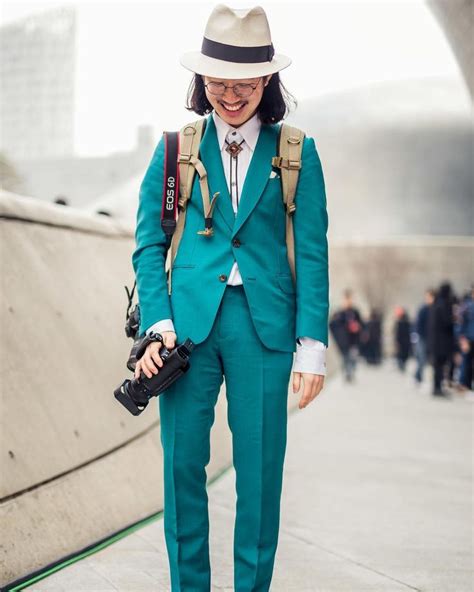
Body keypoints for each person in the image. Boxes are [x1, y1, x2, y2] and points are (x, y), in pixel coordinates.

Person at [131, 5, 330, 591]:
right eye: (218, 83)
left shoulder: (297, 152)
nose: (230, 95)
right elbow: (149, 244)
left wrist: (312, 345)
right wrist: (159, 322)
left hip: (266, 330)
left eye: (243, 84)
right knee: (181, 469)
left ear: (267, 81)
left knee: (261, 476)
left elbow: (313, 252)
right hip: (186, 334)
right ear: (202, 81)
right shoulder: (174, 150)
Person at [427, 281, 455, 397]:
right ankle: (437, 388)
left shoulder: (435, 304)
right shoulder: (444, 304)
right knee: (440, 366)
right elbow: (447, 322)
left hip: (435, 341)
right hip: (442, 342)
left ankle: (436, 387)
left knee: (437, 366)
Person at [329, 289, 363, 382]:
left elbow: (362, 325)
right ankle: (347, 374)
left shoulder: (356, 312)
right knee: (345, 358)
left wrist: (357, 327)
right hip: (343, 341)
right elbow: (333, 325)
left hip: (354, 340)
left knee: (353, 357)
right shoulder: (339, 313)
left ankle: (351, 372)